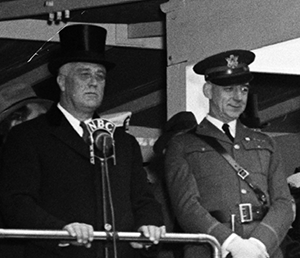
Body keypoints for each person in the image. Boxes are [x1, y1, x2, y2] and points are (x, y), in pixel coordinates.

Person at [0, 24, 165, 258]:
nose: (94, 82)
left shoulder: (122, 141)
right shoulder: (28, 136)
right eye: (84, 74)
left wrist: (149, 224)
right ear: (62, 82)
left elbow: (143, 198)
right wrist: (61, 231)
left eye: (100, 76)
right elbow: (16, 203)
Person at [164, 50, 294, 258]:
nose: (238, 97)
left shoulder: (266, 143)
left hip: (264, 251)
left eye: (243, 90)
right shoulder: (182, 145)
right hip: (212, 250)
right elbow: (186, 207)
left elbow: (284, 203)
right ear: (208, 90)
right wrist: (231, 243)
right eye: (228, 89)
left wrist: (259, 245)